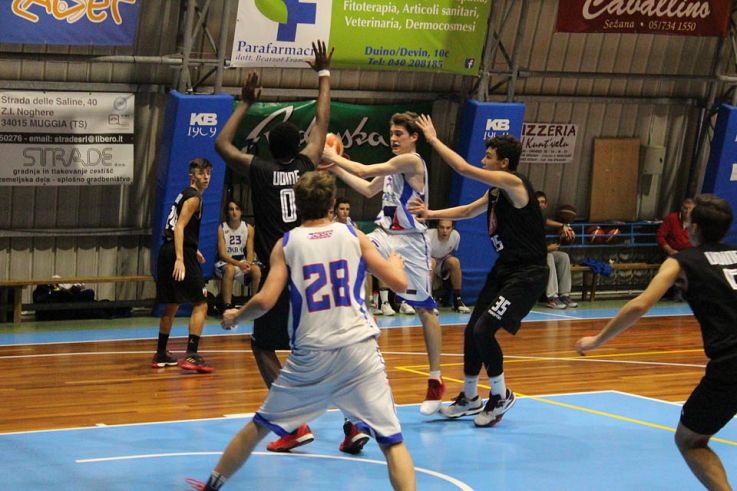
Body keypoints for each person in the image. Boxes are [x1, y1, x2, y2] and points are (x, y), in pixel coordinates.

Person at [195, 171, 416, 491]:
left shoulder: (287, 244)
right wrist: (395, 264)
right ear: (332, 203)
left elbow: (265, 301)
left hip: (311, 355)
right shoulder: (352, 235)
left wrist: (236, 315)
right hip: (359, 350)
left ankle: (211, 485)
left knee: (258, 427)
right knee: (392, 442)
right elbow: (400, 283)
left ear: (297, 205)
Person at [214, 40, 334, 451]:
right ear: (299, 146)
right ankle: (351, 422)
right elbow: (322, 120)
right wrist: (323, 75)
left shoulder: (259, 169)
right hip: (313, 267)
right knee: (325, 348)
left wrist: (245, 102)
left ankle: (295, 422)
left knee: (263, 346)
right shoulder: (306, 165)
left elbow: (222, 146)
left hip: (278, 270)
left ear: (268, 147)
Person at [576, 194, 736, 491]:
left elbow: (640, 305)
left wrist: (597, 340)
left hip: (731, 364)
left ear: (693, 227)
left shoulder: (682, 262)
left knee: (690, 440)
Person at [410, 115, 548, 427]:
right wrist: (430, 214)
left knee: (485, 329)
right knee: (473, 329)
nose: (483, 161)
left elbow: (462, 168)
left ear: (504, 163)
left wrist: (433, 139)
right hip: (505, 269)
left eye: (488, 156)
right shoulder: (496, 192)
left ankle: (500, 395)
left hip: (528, 274)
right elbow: (468, 210)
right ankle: (471, 397)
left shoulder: (514, 184)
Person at [321, 111, 444, 414]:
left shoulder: (412, 162)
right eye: (391, 133)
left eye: (399, 134)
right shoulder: (393, 165)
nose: (393, 138)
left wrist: (332, 156)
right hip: (384, 234)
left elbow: (363, 171)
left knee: (426, 311)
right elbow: (367, 189)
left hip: (411, 242)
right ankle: (363, 313)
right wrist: (336, 168)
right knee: (353, 249)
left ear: (413, 137)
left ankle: (435, 379)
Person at [152, 157, 215, 374]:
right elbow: (179, 227)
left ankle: (161, 353)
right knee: (201, 302)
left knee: (172, 303)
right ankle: (192, 355)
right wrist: (181, 258)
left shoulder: (183, 194)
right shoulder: (194, 197)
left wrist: (192, 248)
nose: (206, 177)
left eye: (208, 173)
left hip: (167, 249)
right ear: (192, 175)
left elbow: (176, 228)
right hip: (178, 253)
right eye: (201, 173)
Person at [214, 199, 261, 310]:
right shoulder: (222, 228)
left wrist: (248, 263)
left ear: (241, 211)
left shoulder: (248, 228)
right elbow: (222, 254)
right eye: (231, 209)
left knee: (256, 270)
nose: (234, 212)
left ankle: (253, 305)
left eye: (237, 209)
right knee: (230, 269)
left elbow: (250, 251)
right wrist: (239, 264)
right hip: (225, 262)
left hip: (241, 262)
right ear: (227, 212)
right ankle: (227, 306)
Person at [534, 191, 578, 309]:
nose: (540, 204)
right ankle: (552, 297)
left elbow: (545, 221)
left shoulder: (542, 219)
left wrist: (565, 227)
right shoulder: (528, 217)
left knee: (563, 256)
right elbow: (529, 247)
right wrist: (547, 249)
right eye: (537, 202)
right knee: (548, 256)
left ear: (546, 205)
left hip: (541, 253)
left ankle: (564, 295)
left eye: (542, 202)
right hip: (529, 256)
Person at [428, 220, 471, 313]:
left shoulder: (456, 236)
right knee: (432, 262)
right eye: (442, 227)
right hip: (427, 262)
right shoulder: (428, 235)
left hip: (442, 262)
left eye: (448, 228)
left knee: (454, 262)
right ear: (437, 227)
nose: (445, 231)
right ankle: (429, 299)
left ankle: (457, 301)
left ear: (452, 228)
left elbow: (449, 253)